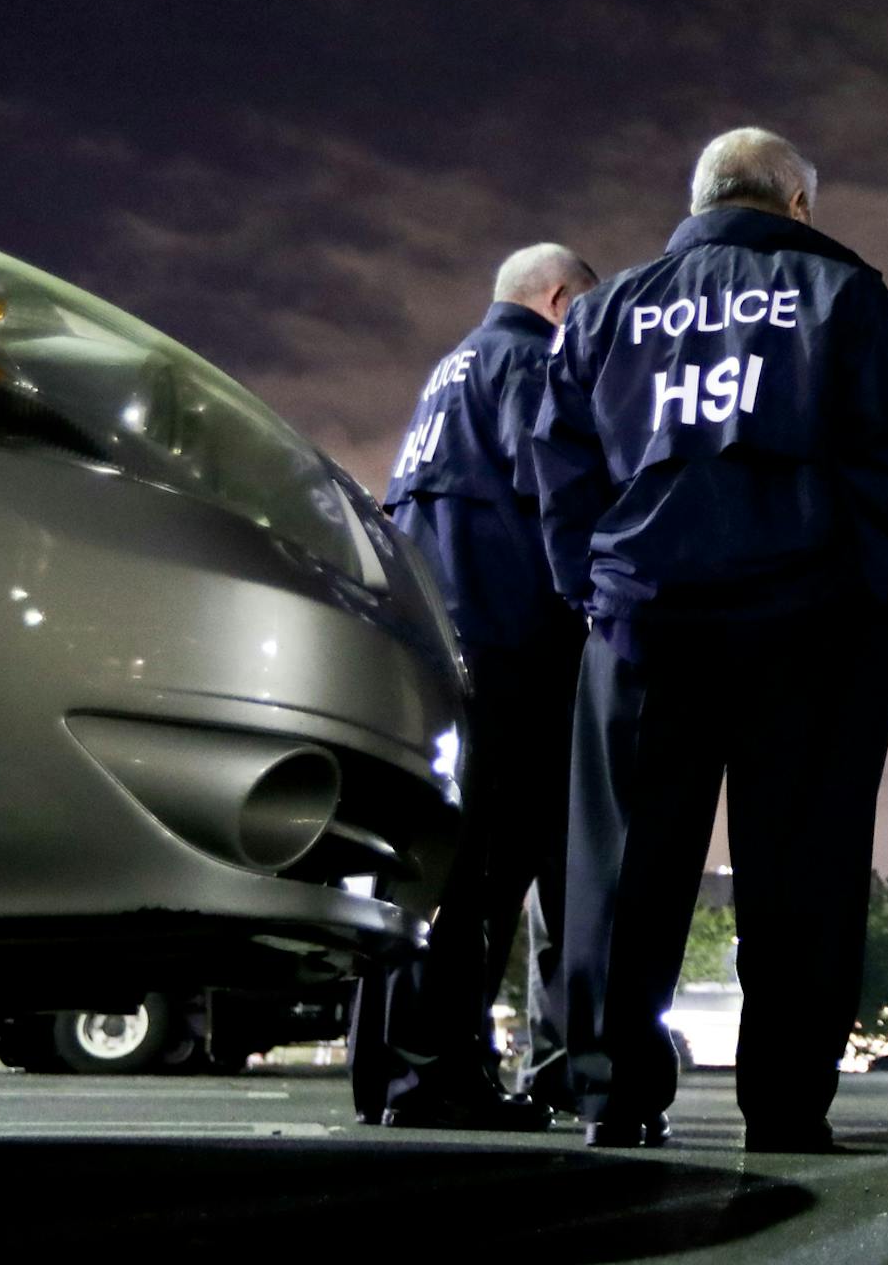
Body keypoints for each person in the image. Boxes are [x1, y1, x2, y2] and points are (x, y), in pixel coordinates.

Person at [534, 126, 888, 1154]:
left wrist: (591, 587)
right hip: (806, 621)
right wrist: (886, 606)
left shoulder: (610, 308)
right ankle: (787, 1103)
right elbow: (881, 461)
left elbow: (560, 464)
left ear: (702, 198)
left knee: (624, 867)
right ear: (796, 205)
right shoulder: (841, 291)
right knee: (802, 869)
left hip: (643, 618)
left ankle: (613, 1094)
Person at [355, 242, 599, 1130]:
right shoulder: (530, 364)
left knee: (427, 862)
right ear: (561, 300)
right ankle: (443, 1077)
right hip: (508, 646)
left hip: (432, 643)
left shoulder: (447, 374)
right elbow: (561, 496)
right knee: (490, 871)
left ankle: (390, 1073)